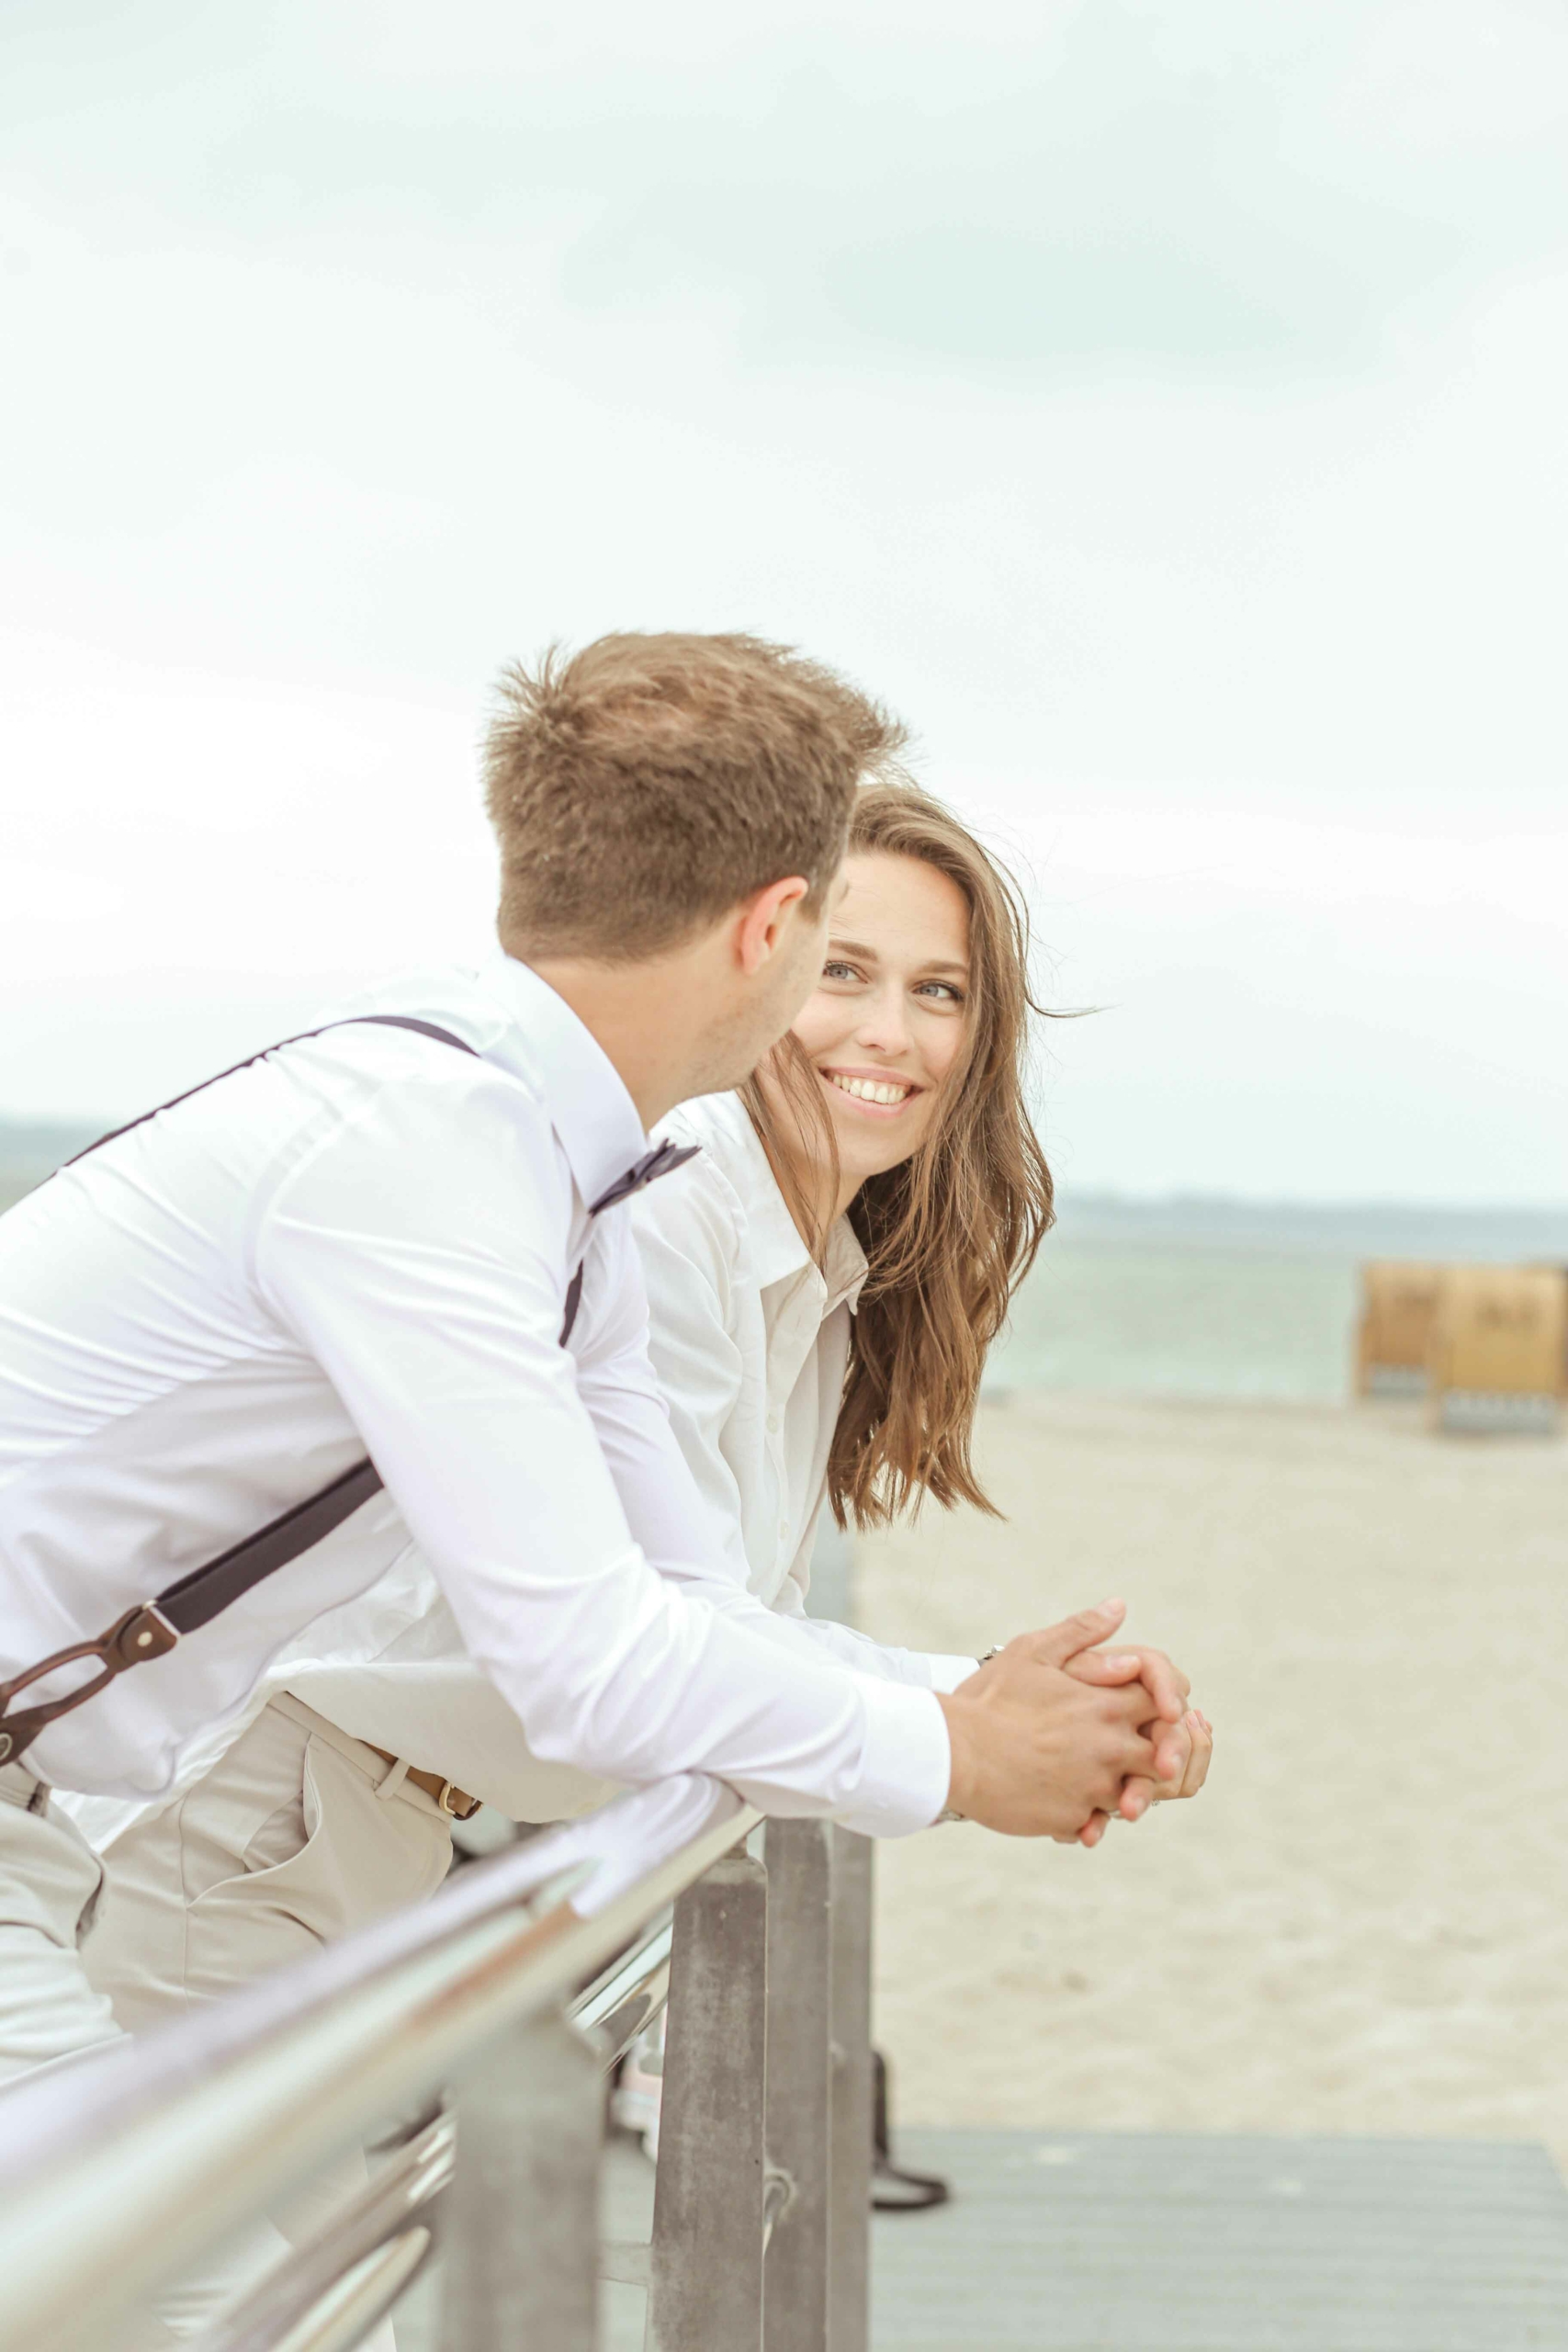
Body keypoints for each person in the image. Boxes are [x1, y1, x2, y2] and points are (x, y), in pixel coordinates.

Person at [1, 634, 1182, 2105]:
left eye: (936, 991)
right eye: (840, 954)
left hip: (65, 1812)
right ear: (776, 927)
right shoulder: (424, 1156)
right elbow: (587, 1671)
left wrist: (1005, 1707)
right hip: (153, 1824)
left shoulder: (564, 1179)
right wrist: (960, 1755)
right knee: (179, 2309)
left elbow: (684, 1606)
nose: (880, 1020)